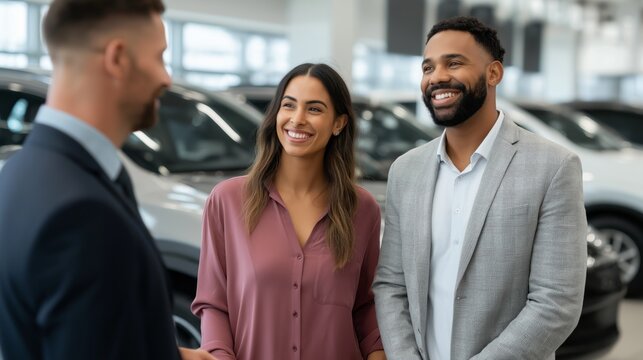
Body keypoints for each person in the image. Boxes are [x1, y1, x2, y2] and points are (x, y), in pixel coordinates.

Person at [0, 0, 213, 359]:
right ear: (117, 58)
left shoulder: (22, 173)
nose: (166, 78)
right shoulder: (81, 215)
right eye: (159, 57)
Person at [372, 16, 587, 360]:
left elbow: (556, 302)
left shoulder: (553, 166)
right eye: (428, 67)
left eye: (453, 63)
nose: (437, 76)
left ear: (494, 73)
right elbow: (391, 285)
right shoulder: (405, 171)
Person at [191, 63, 386, 360]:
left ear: (339, 123)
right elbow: (214, 304)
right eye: (289, 105)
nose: (297, 119)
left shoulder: (362, 210)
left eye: (315, 109)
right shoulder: (227, 201)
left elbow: (366, 307)